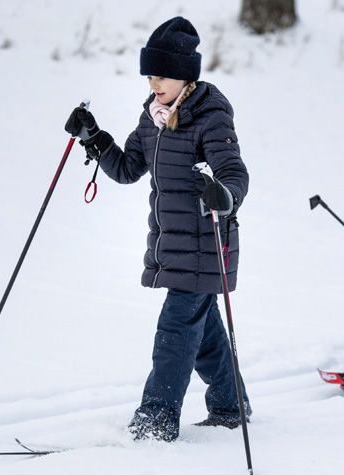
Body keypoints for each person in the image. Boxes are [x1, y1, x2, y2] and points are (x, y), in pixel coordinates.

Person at [64, 16, 250, 441]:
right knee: (202, 337)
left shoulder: (210, 114)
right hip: (173, 247)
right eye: (149, 74)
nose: (153, 83)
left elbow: (234, 172)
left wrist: (225, 195)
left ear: (185, 73)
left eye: (161, 74)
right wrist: (93, 138)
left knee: (176, 332)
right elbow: (129, 168)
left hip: (206, 244)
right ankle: (229, 405)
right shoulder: (153, 117)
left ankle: (156, 419)